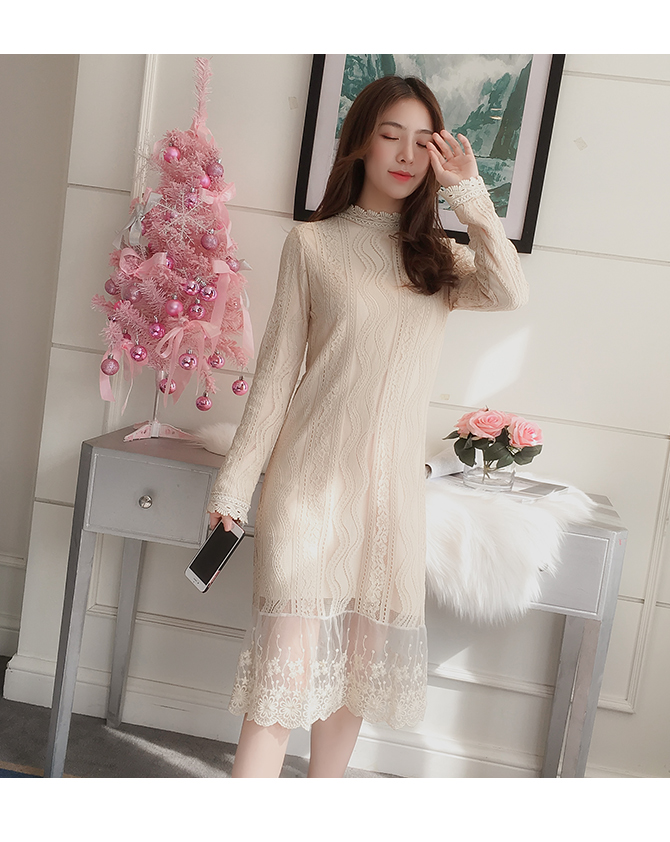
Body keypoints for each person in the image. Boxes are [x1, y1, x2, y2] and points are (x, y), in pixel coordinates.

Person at [207, 74, 529, 778]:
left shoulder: (438, 260)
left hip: (388, 503)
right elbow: (274, 379)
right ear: (361, 143)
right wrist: (232, 489)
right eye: (391, 135)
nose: (407, 154)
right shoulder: (313, 245)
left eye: (423, 141)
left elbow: (510, 290)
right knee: (280, 687)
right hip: (307, 490)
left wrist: (470, 195)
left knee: (351, 684)